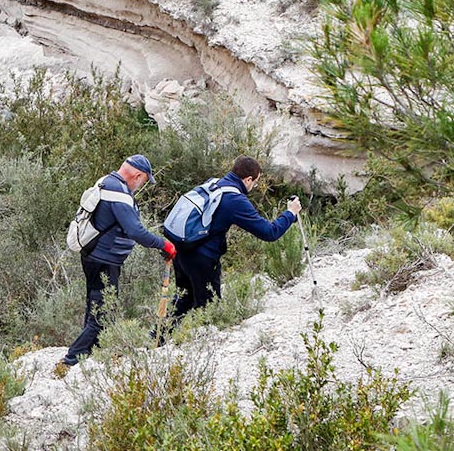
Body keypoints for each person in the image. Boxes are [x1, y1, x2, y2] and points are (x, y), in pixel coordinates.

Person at [55, 155, 175, 377]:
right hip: (104, 261)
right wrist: (163, 245)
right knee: (103, 313)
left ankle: (86, 354)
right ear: (138, 175)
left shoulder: (107, 181)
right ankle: (70, 361)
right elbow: (136, 231)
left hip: (92, 256)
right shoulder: (119, 193)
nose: (142, 186)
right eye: (145, 181)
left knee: (95, 307)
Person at [161, 155, 301, 330]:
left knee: (184, 298)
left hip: (182, 250)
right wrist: (290, 213)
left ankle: (157, 339)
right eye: (255, 182)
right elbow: (269, 232)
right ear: (248, 179)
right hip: (203, 259)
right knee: (209, 309)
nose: (254, 186)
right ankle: (204, 347)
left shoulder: (215, 184)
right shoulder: (235, 200)